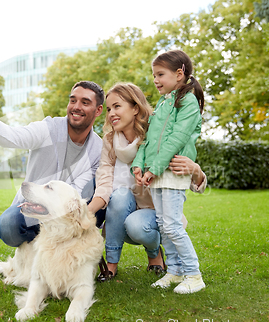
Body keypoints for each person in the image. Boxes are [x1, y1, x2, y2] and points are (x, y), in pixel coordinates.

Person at [0, 80, 104, 247]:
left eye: (85, 102)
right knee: (8, 225)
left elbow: (77, 191)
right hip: (33, 208)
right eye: (73, 100)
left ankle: (58, 247)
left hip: (65, 216)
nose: (76, 106)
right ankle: (41, 252)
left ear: (98, 110)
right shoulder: (49, 128)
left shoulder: (98, 150)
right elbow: (13, 136)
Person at [87, 82, 207, 282]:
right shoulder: (109, 141)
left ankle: (155, 254)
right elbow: (104, 181)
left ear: (135, 108)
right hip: (121, 214)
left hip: (154, 216)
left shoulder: (157, 134)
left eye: (117, 106)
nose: (111, 114)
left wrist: (196, 170)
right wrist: (87, 213)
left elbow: (186, 177)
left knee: (137, 224)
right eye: (108, 109)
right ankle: (111, 266)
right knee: (119, 195)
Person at [131, 49, 205, 294]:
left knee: (172, 225)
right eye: (154, 74)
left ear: (179, 73)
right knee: (164, 226)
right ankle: (174, 271)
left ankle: (193, 275)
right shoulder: (162, 103)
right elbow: (148, 140)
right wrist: (139, 165)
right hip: (158, 172)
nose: (155, 79)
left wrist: (155, 168)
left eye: (160, 74)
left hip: (172, 170)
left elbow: (176, 139)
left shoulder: (187, 101)